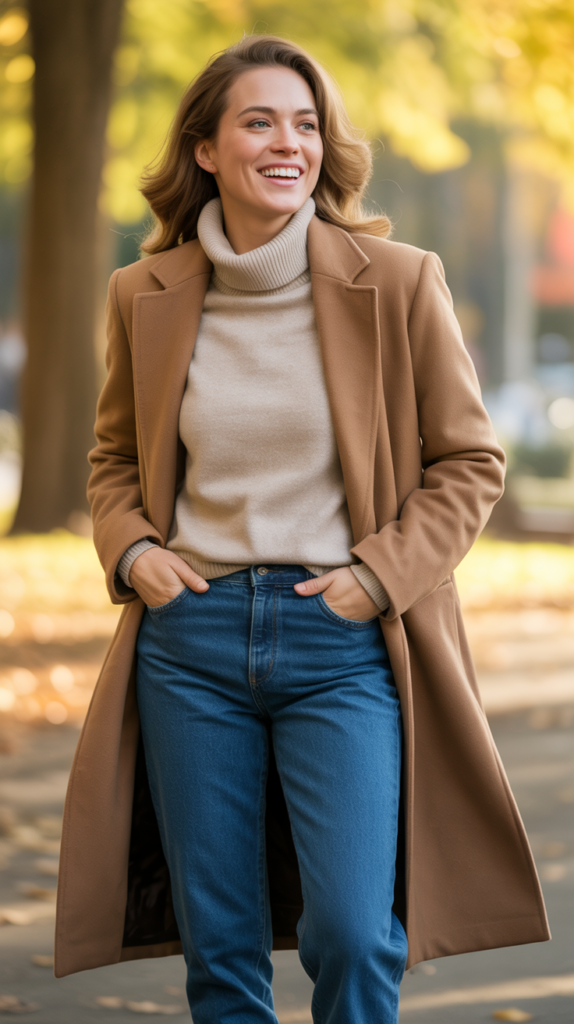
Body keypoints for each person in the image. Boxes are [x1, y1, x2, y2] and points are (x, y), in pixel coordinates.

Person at [54, 34, 550, 1022]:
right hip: (187, 643)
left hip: (343, 639)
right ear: (205, 150)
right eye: (258, 121)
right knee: (221, 948)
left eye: (306, 123)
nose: (289, 143)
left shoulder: (397, 281)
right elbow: (113, 462)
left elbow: (469, 462)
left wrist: (376, 578)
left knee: (355, 934)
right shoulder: (143, 296)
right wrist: (134, 552)